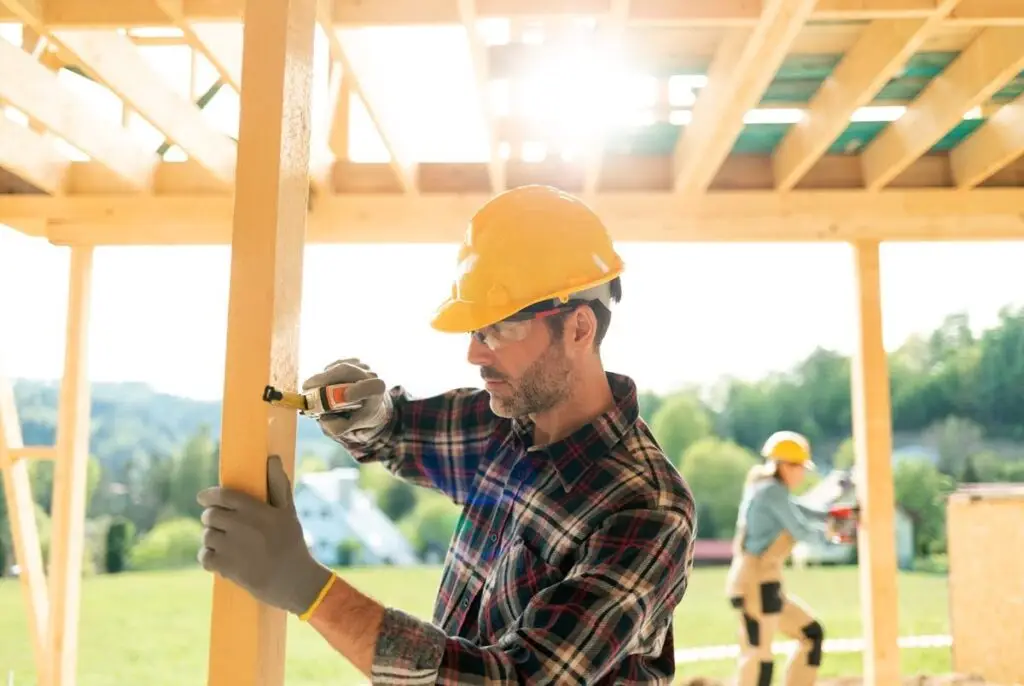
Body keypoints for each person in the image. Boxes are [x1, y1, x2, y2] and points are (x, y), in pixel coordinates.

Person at [196, 185, 697, 684]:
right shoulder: (501, 427)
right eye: (475, 331)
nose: (476, 355)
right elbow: (394, 430)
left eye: (498, 329)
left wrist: (310, 590)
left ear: (580, 329)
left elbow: (515, 681)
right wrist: (367, 413)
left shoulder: (647, 509)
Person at [725, 430, 832, 686]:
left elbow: (802, 509)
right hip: (756, 584)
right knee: (759, 657)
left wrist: (835, 516)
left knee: (811, 634)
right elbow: (801, 529)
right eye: (800, 467)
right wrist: (835, 534)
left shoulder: (771, 490)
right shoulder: (771, 491)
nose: (803, 473)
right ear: (784, 465)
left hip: (766, 583)